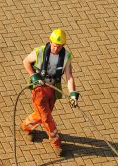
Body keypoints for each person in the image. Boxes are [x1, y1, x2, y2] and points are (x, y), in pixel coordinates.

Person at [21, 28, 80, 157]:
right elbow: (26, 62)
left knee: (42, 115)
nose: (56, 49)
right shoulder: (40, 51)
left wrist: (73, 94)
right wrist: (33, 76)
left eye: (59, 47)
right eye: (54, 46)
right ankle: (56, 143)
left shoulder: (66, 57)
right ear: (50, 42)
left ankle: (26, 126)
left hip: (53, 91)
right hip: (39, 90)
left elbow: (69, 76)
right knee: (47, 118)